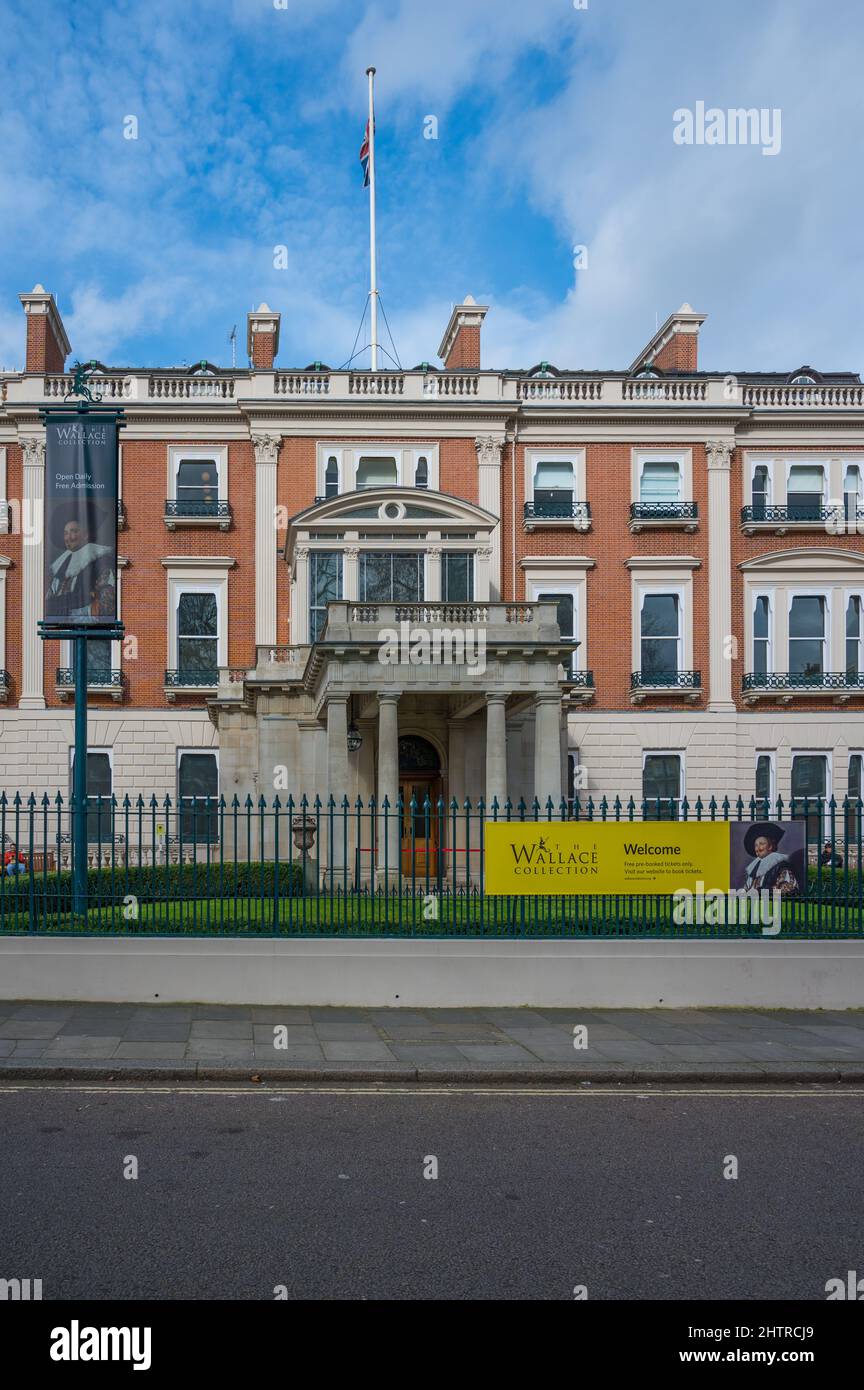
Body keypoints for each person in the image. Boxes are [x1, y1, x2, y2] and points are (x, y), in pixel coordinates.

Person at [45, 517, 114, 620]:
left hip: (86, 628)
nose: (69, 537)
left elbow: (105, 604)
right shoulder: (60, 565)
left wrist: (73, 616)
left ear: (85, 535)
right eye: (66, 533)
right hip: (58, 626)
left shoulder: (101, 561)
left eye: (74, 532)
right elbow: (49, 598)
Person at [742, 822, 800, 895]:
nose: (758, 848)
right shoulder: (754, 868)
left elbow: (789, 888)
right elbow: (747, 888)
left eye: (762, 844)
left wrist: (765, 892)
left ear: (770, 846)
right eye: (755, 845)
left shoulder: (780, 866)